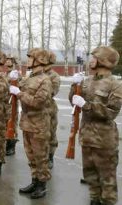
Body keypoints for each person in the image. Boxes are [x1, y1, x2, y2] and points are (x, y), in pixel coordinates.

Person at [69, 46, 121, 205]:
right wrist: (74, 87)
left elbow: (111, 112)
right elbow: (74, 101)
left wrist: (86, 105)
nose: (90, 60)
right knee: (90, 177)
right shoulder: (87, 81)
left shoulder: (115, 84)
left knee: (107, 181)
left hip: (104, 141)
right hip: (87, 138)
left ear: (103, 61)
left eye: (94, 57)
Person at [9, 48, 52, 199]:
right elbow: (17, 86)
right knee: (31, 157)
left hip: (39, 125)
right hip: (27, 123)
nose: (28, 60)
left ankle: (42, 185)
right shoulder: (29, 77)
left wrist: (19, 93)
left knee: (41, 157)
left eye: (30, 58)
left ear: (39, 60)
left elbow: (38, 103)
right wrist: (13, 79)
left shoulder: (45, 80)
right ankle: (35, 181)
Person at [44, 51, 60, 169]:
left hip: (49, 109)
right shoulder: (35, 74)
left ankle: (50, 156)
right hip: (37, 111)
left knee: (51, 134)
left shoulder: (54, 76)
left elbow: (52, 92)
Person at [5, 55, 21, 156]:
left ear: (13, 62)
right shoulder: (5, 74)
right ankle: (7, 143)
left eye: (9, 60)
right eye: (6, 60)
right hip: (5, 103)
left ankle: (12, 146)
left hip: (12, 103)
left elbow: (20, 86)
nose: (7, 62)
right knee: (6, 123)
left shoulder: (16, 74)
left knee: (13, 124)